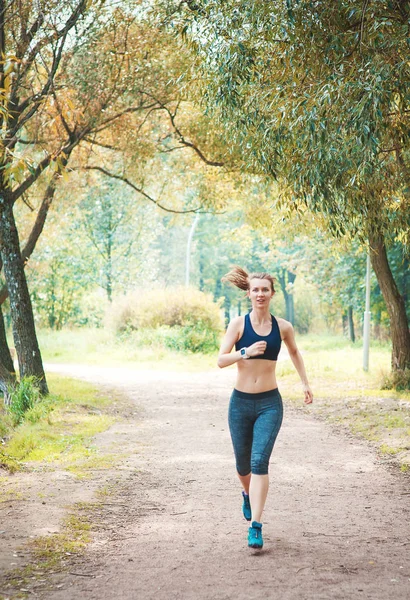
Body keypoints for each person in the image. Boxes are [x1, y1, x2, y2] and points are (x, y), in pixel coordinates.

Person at [217, 266, 313, 549]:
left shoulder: (283, 327)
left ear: (272, 294)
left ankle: (255, 525)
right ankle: (247, 494)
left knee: (260, 461)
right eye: (255, 290)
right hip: (240, 403)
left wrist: (305, 383)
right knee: (242, 465)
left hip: (270, 403)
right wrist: (244, 352)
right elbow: (221, 360)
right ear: (249, 293)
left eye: (265, 290)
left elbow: (295, 352)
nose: (260, 294)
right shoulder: (238, 325)